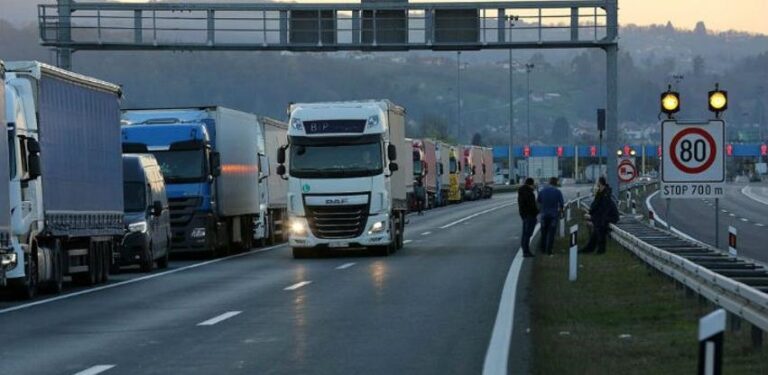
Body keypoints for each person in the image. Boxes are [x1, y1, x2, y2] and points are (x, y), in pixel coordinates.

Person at [580, 177, 619, 254]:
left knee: (600, 226)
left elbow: (604, 209)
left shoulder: (606, 194)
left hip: (610, 216)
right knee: (597, 227)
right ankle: (591, 248)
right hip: (604, 216)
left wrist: (592, 217)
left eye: (597, 182)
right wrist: (591, 214)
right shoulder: (601, 193)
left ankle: (599, 249)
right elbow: (595, 206)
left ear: (600, 183)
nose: (596, 184)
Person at [537, 177, 564, 256]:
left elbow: (538, 202)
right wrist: (561, 212)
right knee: (551, 234)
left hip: (544, 215)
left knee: (543, 233)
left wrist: (539, 212)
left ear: (549, 182)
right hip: (553, 215)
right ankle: (549, 250)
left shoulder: (542, 191)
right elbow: (561, 204)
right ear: (556, 183)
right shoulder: (558, 192)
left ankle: (542, 249)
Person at [517, 178, 539, 258]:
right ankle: (526, 251)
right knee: (528, 233)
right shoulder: (529, 193)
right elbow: (532, 205)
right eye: (533, 185)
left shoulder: (521, 192)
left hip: (524, 215)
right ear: (531, 184)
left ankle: (524, 249)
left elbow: (521, 205)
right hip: (530, 215)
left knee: (525, 233)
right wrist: (537, 211)